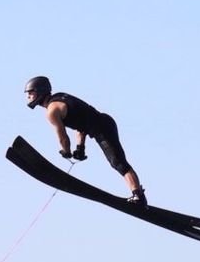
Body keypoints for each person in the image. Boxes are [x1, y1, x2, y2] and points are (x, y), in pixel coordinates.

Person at [24, 75, 147, 206]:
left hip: (102, 129)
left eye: (31, 93)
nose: (28, 96)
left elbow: (63, 138)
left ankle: (138, 196)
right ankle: (138, 195)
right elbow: (82, 123)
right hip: (104, 123)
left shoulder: (52, 111)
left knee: (119, 164)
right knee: (118, 163)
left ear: (40, 91)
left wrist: (66, 152)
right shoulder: (61, 97)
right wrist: (80, 148)